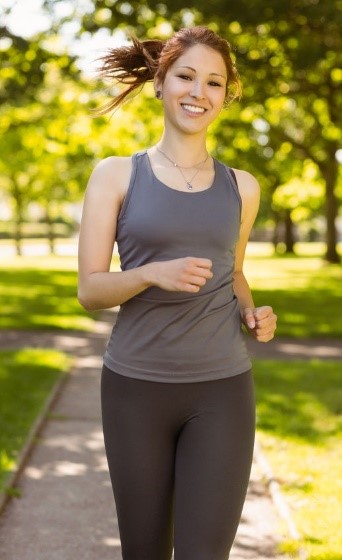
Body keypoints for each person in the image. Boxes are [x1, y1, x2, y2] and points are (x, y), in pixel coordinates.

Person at [78, 25, 277, 560]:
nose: (199, 92)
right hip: (134, 390)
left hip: (222, 391)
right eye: (186, 76)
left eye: (214, 83)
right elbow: (91, 290)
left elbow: (232, 273)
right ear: (162, 82)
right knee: (143, 552)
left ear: (226, 95)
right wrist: (150, 274)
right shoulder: (116, 176)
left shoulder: (242, 187)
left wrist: (252, 311)